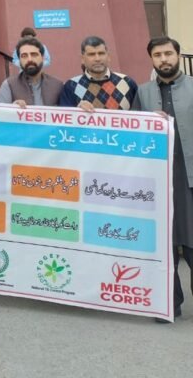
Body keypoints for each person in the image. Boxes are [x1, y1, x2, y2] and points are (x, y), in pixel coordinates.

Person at [133, 36, 193, 322]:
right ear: (152, 59)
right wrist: (148, 123)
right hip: (157, 181)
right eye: (157, 55)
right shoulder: (143, 92)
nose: (164, 59)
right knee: (163, 244)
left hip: (189, 178)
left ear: (178, 55)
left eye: (168, 53)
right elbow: (132, 131)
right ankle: (169, 304)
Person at [59, 36, 138, 110]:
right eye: (91, 54)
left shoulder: (127, 82)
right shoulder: (71, 86)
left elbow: (140, 114)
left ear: (108, 56)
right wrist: (77, 110)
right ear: (82, 59)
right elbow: (66, 117)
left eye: (101, 53)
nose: (97, 59)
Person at [0, 37, 63, 107]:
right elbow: (0, 112)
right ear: (19, 60)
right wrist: (12, 108)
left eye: (34, 55)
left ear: (42, 58)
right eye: (24, 56)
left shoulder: (57, 85)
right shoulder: (9, 85)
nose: (29, 59)